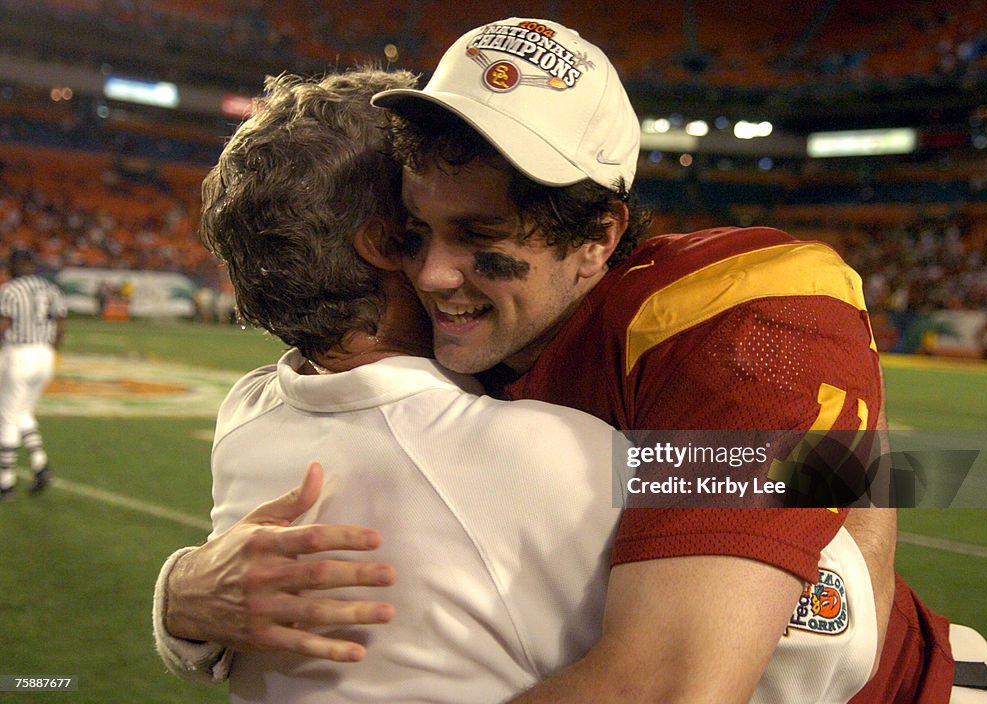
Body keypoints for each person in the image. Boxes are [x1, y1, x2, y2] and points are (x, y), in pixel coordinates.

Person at [159, 17, 959, 702]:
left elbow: (691, 679)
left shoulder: (737, 323)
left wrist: (843, 452)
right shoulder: (393, 374)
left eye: (481, 237)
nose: (430, 272)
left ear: (599, 236)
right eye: (415, 228)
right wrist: (180, 599)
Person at [153, 67, 633, 702]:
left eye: (472, 227)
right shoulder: (545, 453)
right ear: (384, 243)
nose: (437, 270)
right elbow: (787, 484)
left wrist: (174, 596)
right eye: (423, 225)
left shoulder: (247, 411)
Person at [0, 247, 66, 500]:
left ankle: (5, 483)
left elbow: (3, 326)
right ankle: (40, 465)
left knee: (7, 416)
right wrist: (52, 353)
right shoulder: (50, 288)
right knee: (23, 412)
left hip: (18, 353)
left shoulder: (10, 290)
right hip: (45, 354)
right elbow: (60, 324)